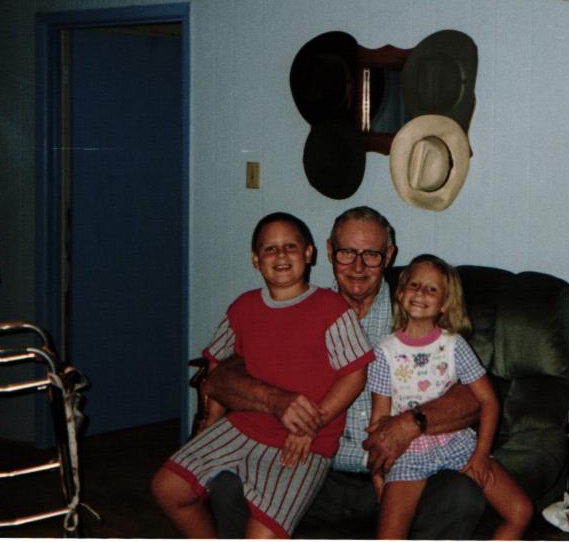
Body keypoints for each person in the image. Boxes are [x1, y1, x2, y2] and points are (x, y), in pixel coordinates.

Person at [203, 206, 486, 538]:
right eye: (346, 253)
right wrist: (273, 400)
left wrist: (412, 423)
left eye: (371, 255)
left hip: (402, 473)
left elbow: (474, 396)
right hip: (312, 471)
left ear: (389, 255)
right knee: (230, 487)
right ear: (328, 251)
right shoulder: (303, 310)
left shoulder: (417, 312)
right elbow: (222, 373)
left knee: (461, 496)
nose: (357, 267)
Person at [150, 212, 374, 538]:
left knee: (262, 535)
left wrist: (311, 424)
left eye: (290, 246)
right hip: (244, 425)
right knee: (167, 487)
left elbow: (354, 375)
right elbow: (216, 364)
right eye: (270, 249)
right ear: (256, 260)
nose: (281, 255)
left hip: (305, 441)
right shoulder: (243, 307)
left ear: (308, 253)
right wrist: (211, 418)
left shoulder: (331, 308)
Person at [369, 254, 533, 540]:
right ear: (400, 293)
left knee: (521, 511)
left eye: (431, 289)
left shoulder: (454, 345)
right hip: (408, 453)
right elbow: (378, 424)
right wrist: (378, 479)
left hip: (457, 443)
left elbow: (489, 400)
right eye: (414, 285)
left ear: (444, 303)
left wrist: (481, 454)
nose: (421, 293)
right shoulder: (384, 352)